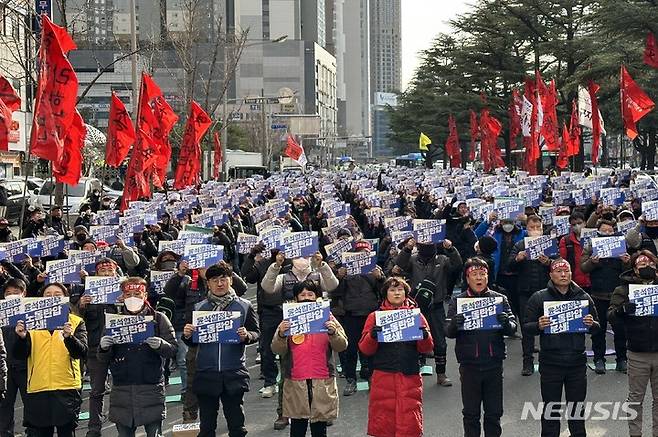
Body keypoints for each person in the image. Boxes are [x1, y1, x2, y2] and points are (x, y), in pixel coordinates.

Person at [261, 251, 339, 429]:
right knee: (288, 372)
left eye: (306, 255)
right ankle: (283, 412)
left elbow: (333, 284)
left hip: (317, 331)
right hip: (292, 331)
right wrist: (276, 265)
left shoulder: (317, 275)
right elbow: (267, 286)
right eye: (297, 256)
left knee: (321, 372)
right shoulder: (284, 276)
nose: (302, 259)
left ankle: (321, 411)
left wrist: (322, 265)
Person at [523, 259, 600, 437]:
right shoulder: (539, 297)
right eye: (558, 272)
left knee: (576, 411)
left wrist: (591, 323)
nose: (563, 274)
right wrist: (538, 325)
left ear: (571, 274)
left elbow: (597, 327)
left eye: (566, 271)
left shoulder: (583, 296)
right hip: (550, 363)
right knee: (551, 411)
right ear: (551, 275)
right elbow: (526, 326)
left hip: (577, 363)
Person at [182, 262, 259, 437]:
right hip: (206, 372)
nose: (219, 284)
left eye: (223, 279)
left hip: (234, 372)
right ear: (207, 283)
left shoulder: (244, 305)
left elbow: (256, 332)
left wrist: (247, 335)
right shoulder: (199, 308)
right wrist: (187, 335)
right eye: (214, 280)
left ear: (230, 280)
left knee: (236, 424)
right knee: (207, 426)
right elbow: (193, 342)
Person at [98, 277, 178, 437]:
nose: (132, 298)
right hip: (122, 388)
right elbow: (102, 360)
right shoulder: (113, 322)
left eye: (137, 294)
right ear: (122, 297)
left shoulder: (158, 319)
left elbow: (173, 349)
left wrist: (161, 345)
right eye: (128, 295)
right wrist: (104, 348)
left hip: (151, 386)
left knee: (154, 433)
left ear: (145, 296)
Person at [447, 257, 517, 437]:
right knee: (471, 413)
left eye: (482, 274)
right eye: (474, 274)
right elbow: (448, 331)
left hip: (494, 364)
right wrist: (455, 323)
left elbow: (513, 327)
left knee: (494, 412)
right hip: (469, 365)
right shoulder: (458, 301)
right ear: (467, 278)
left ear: (487, 277)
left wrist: (506, 323)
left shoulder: (500, 299)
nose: (479, 278)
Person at [358, 277, 434, 437]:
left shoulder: (417, 316)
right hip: (383, 374)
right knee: (384, 422)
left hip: (409, 374)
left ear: (406, 293)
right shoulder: (375, 317)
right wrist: (372, 336)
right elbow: (365, 349)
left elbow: (427, 348)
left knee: (409, 420)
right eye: (392, 290)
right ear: (385, 293)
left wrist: (425, 335)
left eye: (400, 290)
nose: (397, 293)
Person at [271, 280, 347, 437]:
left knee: (319, 427)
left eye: (310, 294)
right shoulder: (288, 319)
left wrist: (333, 333)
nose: (306, 297)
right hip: (296, 379)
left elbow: (342, 346)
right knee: (297, 426)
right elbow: (276, 349)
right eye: (302, 294)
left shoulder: (328, 318)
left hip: (322, 378)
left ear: (317, 296)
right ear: (296, 298)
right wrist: (281, 334)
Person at [14, 282, 88, 437]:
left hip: (66, 386)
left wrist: (70, 338)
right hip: (38, 387)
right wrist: (21, 338)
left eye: (57, 295)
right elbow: (19, 355)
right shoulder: (30, 323)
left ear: (65, 298)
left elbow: (81, 353)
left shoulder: (75, 321)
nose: (52, 298)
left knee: (66, 432)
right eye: (48, 295)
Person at [395, 237, 462, 386]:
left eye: (430, 241)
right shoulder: (412, 260)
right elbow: (399, 265)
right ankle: (412, 373)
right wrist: (407, 248)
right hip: (415, 307)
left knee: (440, 342)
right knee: (412, 340)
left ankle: (441, 374)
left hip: (436, 306)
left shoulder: (443, 259)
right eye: (424, 241)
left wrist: (451, 249)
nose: (427, 244)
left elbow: (457, 265)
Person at [608, 250, 658, 436]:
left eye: (651, 264)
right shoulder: (623, 290)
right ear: (634, 270)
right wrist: (623, 310)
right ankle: (634, 434)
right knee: (635, 399)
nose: (647, 267)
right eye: (642, 265)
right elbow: (611, 316)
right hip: (637, 353)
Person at [331, 240, 384, 396]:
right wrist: (339, 277)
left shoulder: (375, 270)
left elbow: (385, 291)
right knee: (351, 349)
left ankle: (371, 378)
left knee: (372, 348)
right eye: (359, 252)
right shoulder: (346, 271)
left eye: (365, 252)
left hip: (371, 313)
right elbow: (335, 293)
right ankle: (350, 379)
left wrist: (380, 278)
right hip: (351, 314)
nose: (362, 255)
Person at [581, 219, 630, 374]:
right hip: (597, 293)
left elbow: (628, 271)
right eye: (604, 230)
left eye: (610, 230)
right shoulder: (590, 245)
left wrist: (626, 262)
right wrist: (593, 262)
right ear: (598, 231)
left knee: (620, 329)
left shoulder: (621, 245)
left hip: (617, 295)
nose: (607, 233)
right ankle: (599, 359)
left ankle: (622, 359)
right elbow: (583, 268)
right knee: (598, 329)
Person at [508, 215, 552, 376]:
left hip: (547, 291)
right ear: (526, 229)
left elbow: (559, 263)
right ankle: (528, 362)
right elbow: (509, 265)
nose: (535, 231)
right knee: (527, 328)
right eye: (532, 228)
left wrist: (548, 262)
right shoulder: (520, 245)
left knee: (549, 326)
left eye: (538, 227)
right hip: (526, 291)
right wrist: (518, 259)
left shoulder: (548, 244)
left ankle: (548, 361)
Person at [0, 279, 28, 437]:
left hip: (26, 366)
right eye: (8, 293)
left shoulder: (31, 313)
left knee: (30, 404)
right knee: (4, 406)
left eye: (15, 293)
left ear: (24, 294)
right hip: (5, 368)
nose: (11, 296)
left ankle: (33, 431)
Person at [558, 212, 590, 292]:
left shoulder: (593, 238)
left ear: (585, 223)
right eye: (574, 224)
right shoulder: (565, 241)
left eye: (579, 223)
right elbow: (563, 261)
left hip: (593, 281)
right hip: (574, 282)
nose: (577, 226)